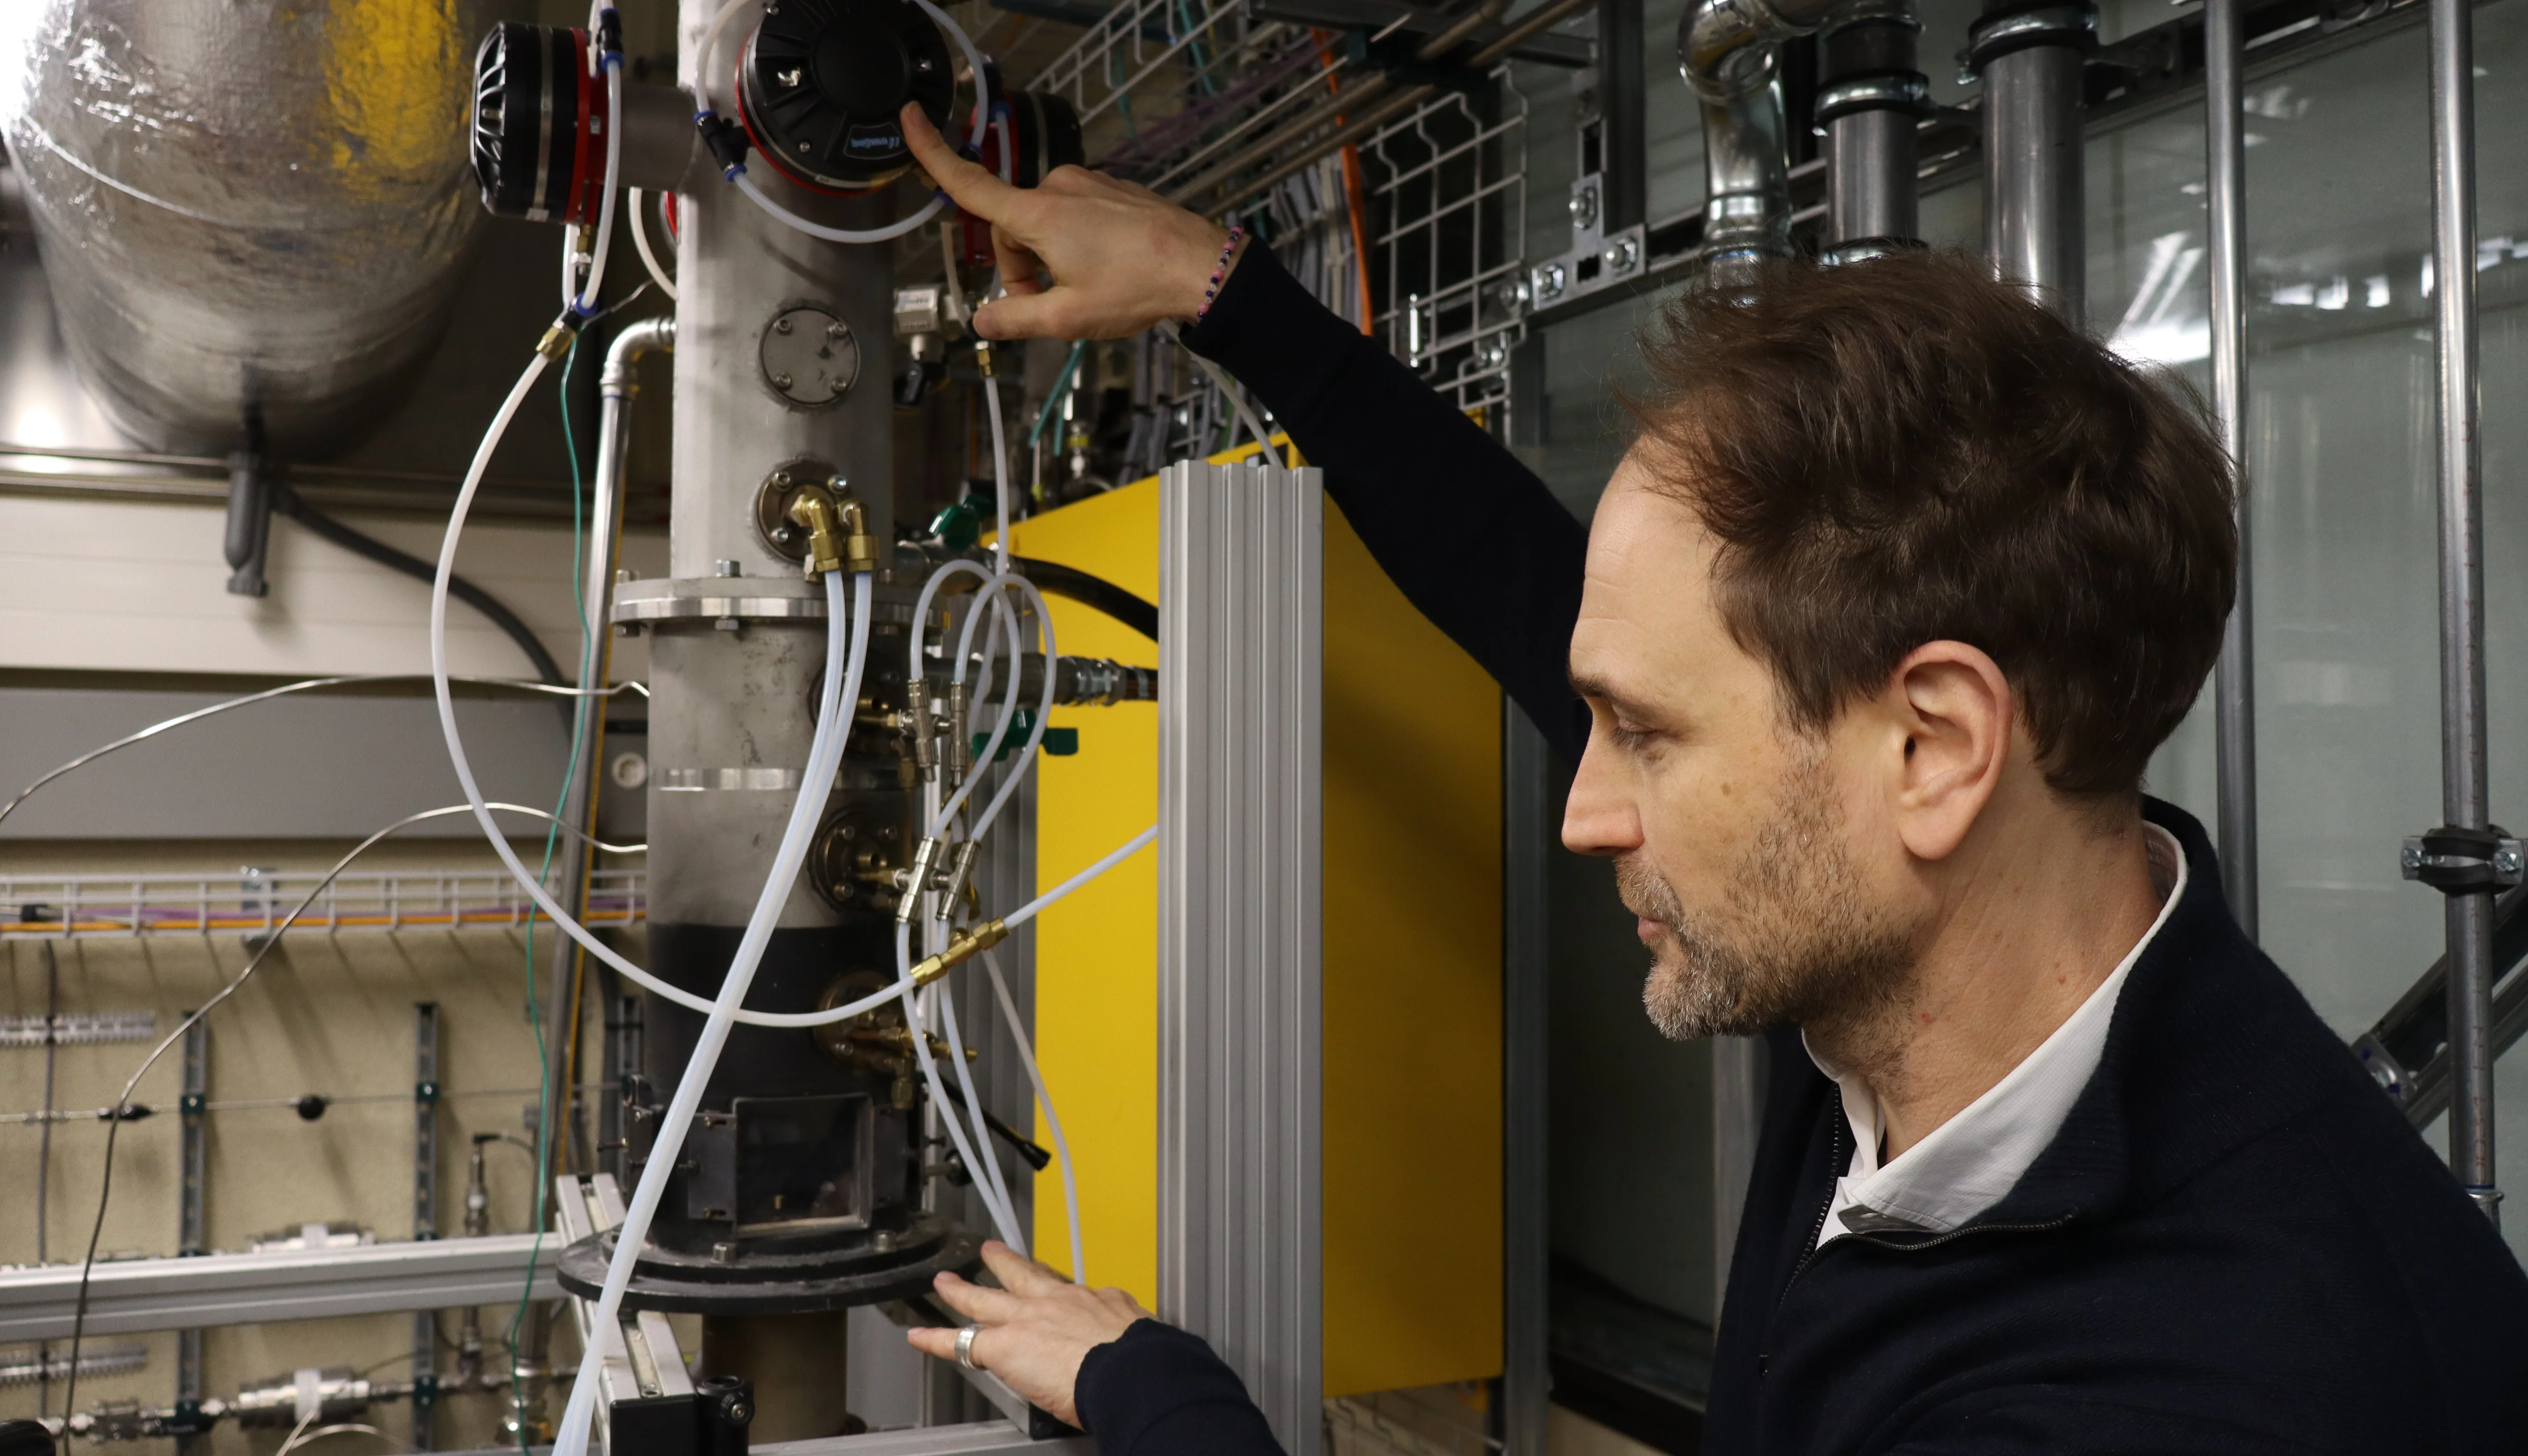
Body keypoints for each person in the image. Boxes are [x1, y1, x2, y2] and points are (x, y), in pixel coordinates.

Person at [890, 105, 2528, 1455]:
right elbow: (1511, 573)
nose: (1582, 810)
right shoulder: (1937, 963)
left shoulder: (2177, 1388)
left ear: (1936, 748)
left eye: (1647, 737)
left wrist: (1164, 1404)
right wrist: (1219, 289)